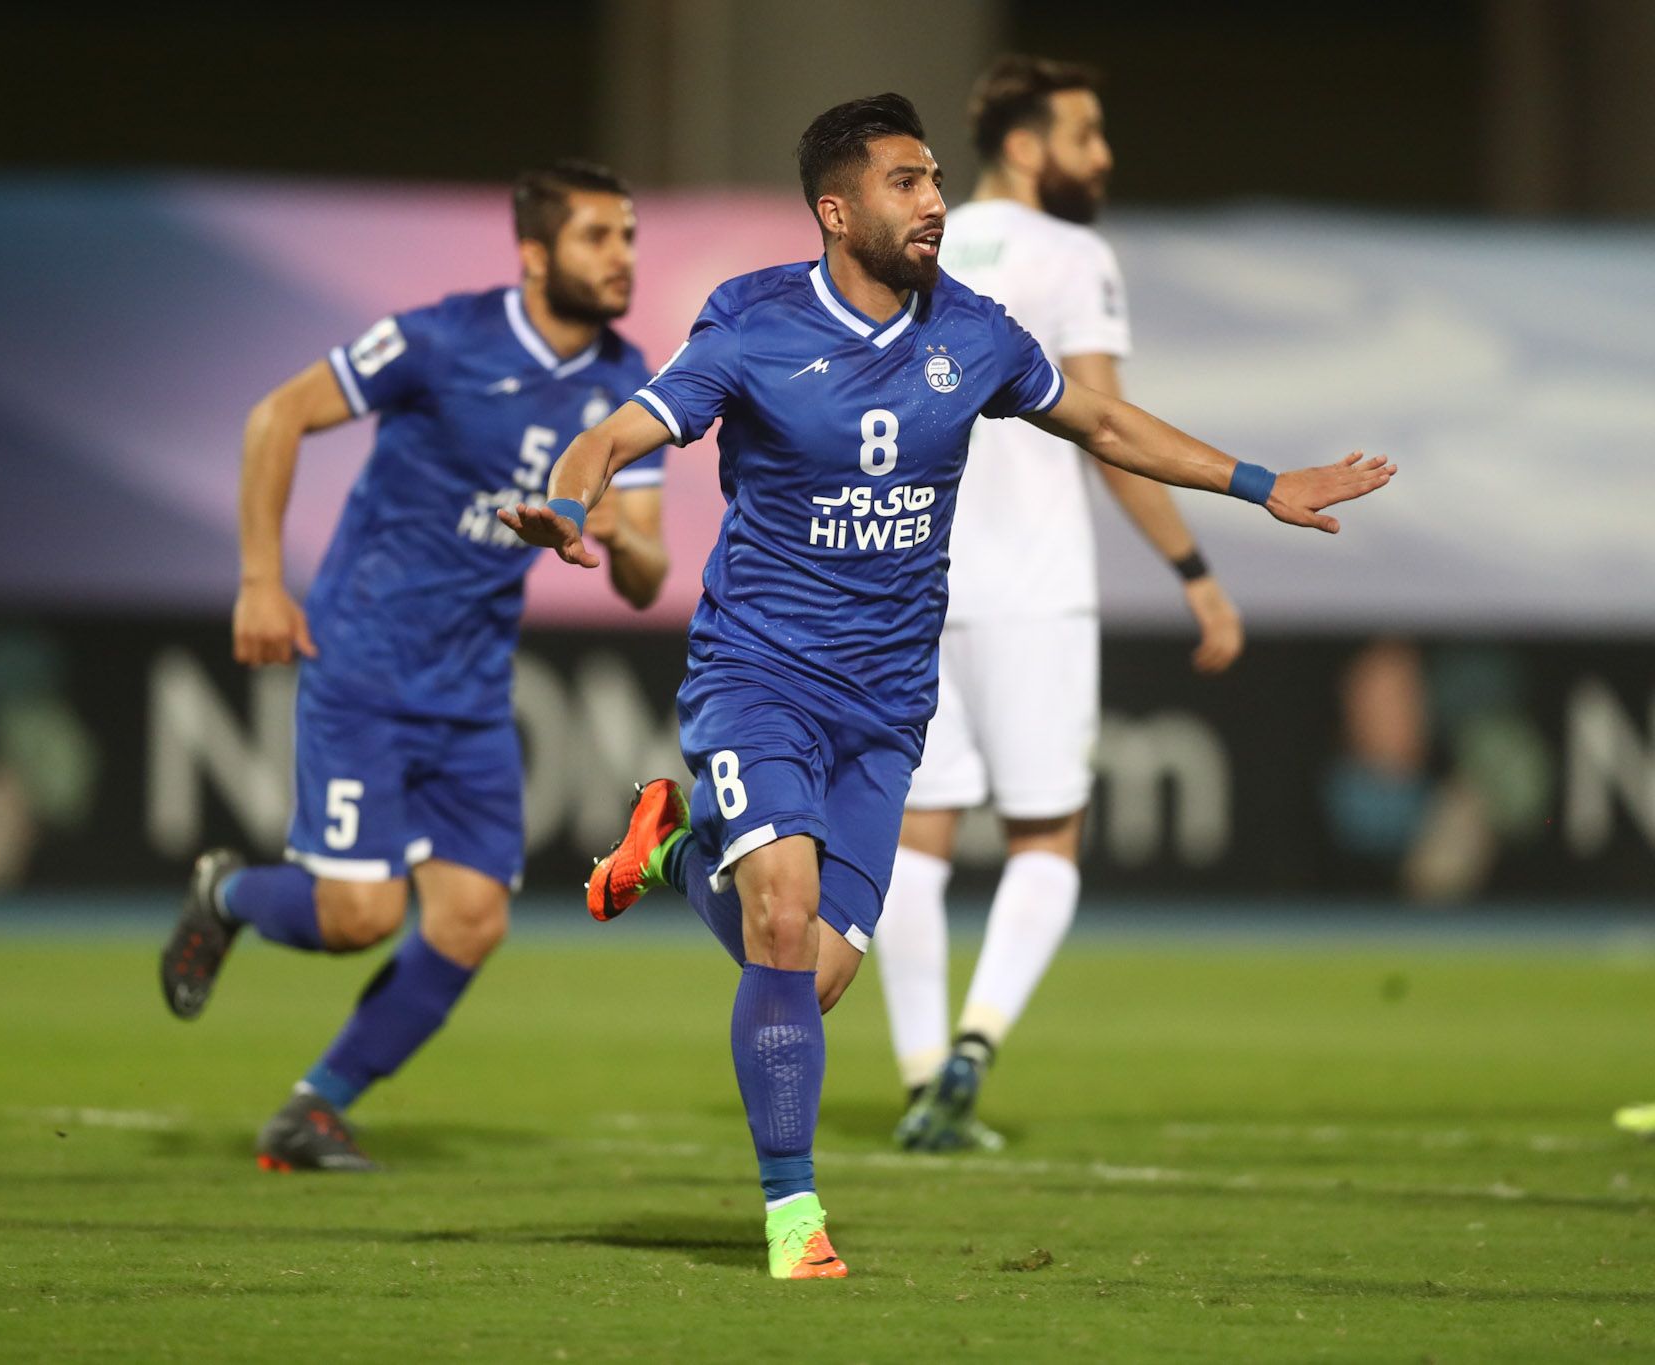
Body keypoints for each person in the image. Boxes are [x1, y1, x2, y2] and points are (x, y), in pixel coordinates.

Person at [502, 94, 1391, 1278]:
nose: (932, 202)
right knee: (779, 917)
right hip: (759, 671)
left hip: (885, 703)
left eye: (931, 179)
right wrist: (567, 506)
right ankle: (791, 1216)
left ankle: (669, 851)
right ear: (835, 211)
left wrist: (1259, 482)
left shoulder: (972, 332)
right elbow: (612, 435)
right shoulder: (752, 324)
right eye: (904, 183)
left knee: (811, 978)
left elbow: (1101, 421)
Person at [159, 161, 669, 1172]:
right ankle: (226, 895)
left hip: (473, 692)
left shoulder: (627, 379)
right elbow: (275, 417)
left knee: (472, 920)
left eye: (628, 236)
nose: (621, 257)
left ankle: (314, 1108)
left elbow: (646, 581)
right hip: (366, 663)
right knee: (359, 917)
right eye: (597, 237)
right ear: (534, 255)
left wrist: (621, 536)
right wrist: (260, 582)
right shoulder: (440, 339)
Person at [872, 55, 1246, 1154]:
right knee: (1045, 837)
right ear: (1027, 145)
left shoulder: (916, 242)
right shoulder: (1071, 254)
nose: (1103, 156)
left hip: (909, 580)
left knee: (916, 838)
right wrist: (1194, 571)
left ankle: (914, 1076)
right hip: (1032, 587)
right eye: (1085, 134)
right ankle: (973, 1044)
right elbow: (1109, 431)